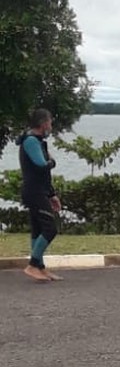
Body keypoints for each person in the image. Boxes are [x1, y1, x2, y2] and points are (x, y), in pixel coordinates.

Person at [17, 108, 62, 282]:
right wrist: (53, 161)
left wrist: (52, 195)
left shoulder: (39, 141)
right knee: (50, 229)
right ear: (43, 124)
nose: (51, 125)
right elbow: (41, 166)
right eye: (50, 122)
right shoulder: (30, 141)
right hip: (33, 192)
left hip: (40, 190)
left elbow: (43, 175)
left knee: (38, 230)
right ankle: (33, 265)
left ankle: (40, 268)